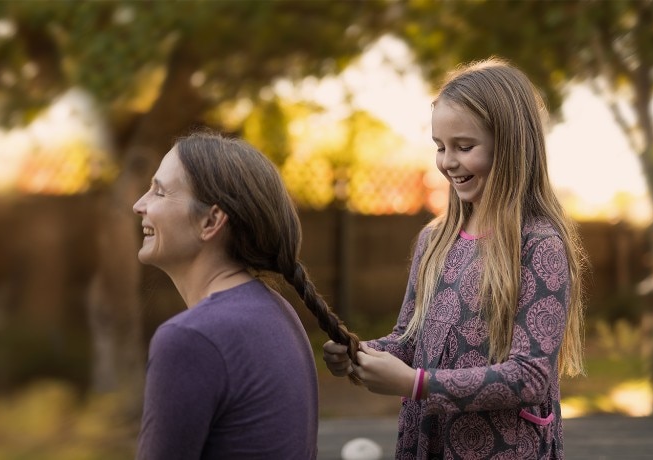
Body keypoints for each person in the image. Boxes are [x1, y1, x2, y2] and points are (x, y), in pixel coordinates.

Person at [322, 58, 587, 459]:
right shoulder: (434, 240)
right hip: (428, 442)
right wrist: (361, 352)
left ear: (511, 146)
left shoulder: (539, 245)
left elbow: (530, 376)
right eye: (440, 147)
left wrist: (417, 384)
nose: (447, 162)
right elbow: (409, 339)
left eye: (464, 147)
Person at [134, 132, 362, 459]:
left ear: (211, 221)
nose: (139, 204)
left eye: (159, 191)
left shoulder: (191, 339)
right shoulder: (276, 312)